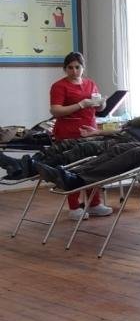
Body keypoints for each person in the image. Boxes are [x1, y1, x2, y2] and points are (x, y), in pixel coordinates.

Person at [0, 96, 140, 180]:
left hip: (127, 143)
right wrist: (96, 132)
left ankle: (32, 167)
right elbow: (121, 129)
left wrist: (131, 122)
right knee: (70, 143)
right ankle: (27, 165)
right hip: (121, 137)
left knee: (83, 149)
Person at [47, 52, 109, 220]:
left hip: (90, 130)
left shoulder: (90, 83)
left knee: (93, 166)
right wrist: (80, 104)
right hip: (68, 132)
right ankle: (74, 207)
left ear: (83, 67)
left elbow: (99, 108)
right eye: (70, 68)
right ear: (65, 69)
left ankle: (94, 203)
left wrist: (101, 103)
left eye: (77, 67)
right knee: (72, 168)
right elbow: (55, 110)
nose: (74, 71)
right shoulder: (59, 86)